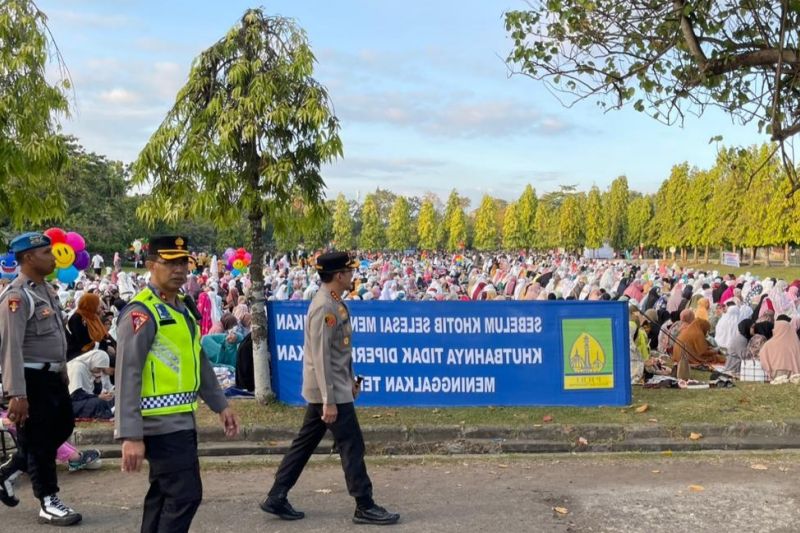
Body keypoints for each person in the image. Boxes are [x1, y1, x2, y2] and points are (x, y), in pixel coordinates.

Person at [260, 251, 400, 525]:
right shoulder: (325, 307)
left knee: (305, 443)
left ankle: (277, 495)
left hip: (334, 387)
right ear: (338, 276)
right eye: (349, 272)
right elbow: (321, 356)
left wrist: (351, 380)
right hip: (329, 391)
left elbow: (339, 352)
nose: (352, 276)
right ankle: (364, 504)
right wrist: (329, 399)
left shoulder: (335, 302)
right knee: (352, 445)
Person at [115, 235, 239, 533]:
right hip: (158, 425)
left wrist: (220, 404)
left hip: (181, 420)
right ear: (150, 265)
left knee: (163, 495)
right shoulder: (141, 312)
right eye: (169, 262)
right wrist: (130, 435)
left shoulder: (181, 307)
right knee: (185, 495)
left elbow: (197, 360)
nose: (179, 269)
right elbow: (127, 374)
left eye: (183, 262)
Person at [0, 232, 82, 525]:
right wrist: (16, 394)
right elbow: (10, 347)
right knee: (41, 442)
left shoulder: (46, 290)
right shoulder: (16, 296)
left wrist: (61, 371)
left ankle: (8, 472)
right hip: (30, 381)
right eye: (47, 252)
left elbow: (56, 336)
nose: (53, 257)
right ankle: (48, 502)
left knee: (61, 428)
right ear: (29, 258)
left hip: (52, 378)